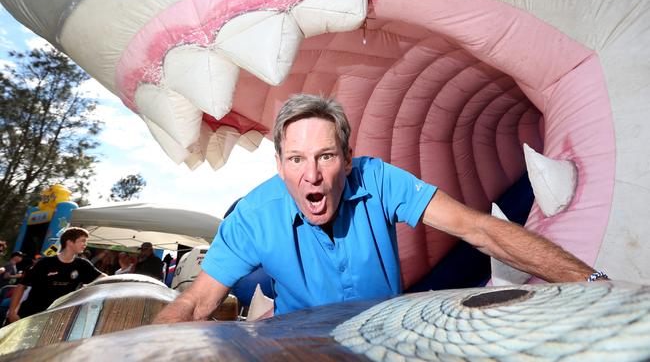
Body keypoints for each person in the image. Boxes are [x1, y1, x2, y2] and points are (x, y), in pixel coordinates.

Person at [154, 94, 606, 324]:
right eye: (295, 160)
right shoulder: (253, 216)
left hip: (388, 339)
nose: (311, 175)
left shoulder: (378, 178)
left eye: (325, 156)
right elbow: (194, 305)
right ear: (279, 165)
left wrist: (594, 284)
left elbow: (479, 229)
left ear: (348, 160)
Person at [6, 227, 106, 323]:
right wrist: (12, 312)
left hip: (57, 319)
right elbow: (21, 286)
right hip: (29, 315)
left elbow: (104, 279)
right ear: (69, 242)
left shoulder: (83, 265)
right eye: (82, 241)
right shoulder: (45, 263)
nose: (85, 244)